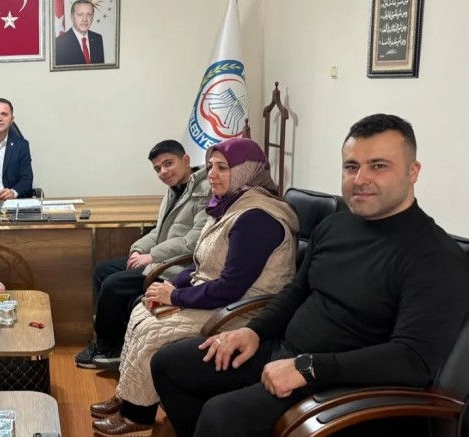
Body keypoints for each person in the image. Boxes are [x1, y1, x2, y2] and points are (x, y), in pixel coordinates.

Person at [150, 114, 469, 437]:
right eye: (351, 166)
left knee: (221, 415)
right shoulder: (335, 226)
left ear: (413, 172)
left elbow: (411, 360)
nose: (360, 179)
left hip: (342, 384)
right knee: (169, 364)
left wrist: (308, 368)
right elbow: (296, 290)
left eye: (379, 166)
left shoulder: (435, 257)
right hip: (284, 351)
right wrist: (254, 331)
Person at [90, 138, 299, 436]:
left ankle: (138, 415)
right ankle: (128, 395)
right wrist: (171, 284)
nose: (211, 174)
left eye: (223, 168)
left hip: (241, 311)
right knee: (141, 312)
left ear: (247, 170)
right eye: (211, 166)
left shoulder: (257, 218)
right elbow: (203, 263)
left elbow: (231, 287)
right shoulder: (230, 205)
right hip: (217, 297)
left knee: (153, 330)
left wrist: (176, 296)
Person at [76, 139, 212, 369]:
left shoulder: (205, 191)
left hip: (177, 267)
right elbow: (159, 231)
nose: (163, 172)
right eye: (158, 168)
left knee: (113, 284)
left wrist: (152, 256)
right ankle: (116, 339)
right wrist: (139, 248)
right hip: (161, 258)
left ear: (186, 160)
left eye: (168, 163)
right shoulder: (175, 189)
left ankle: (108, 349)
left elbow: (193, 241)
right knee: (102, 270)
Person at [55, 0, 104, 65]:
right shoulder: (59, 43)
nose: (85, 19)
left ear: (92, 16)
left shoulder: (97, 39)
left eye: (89, 14)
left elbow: (100, 69)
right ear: (72, 17)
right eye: (80, 14)